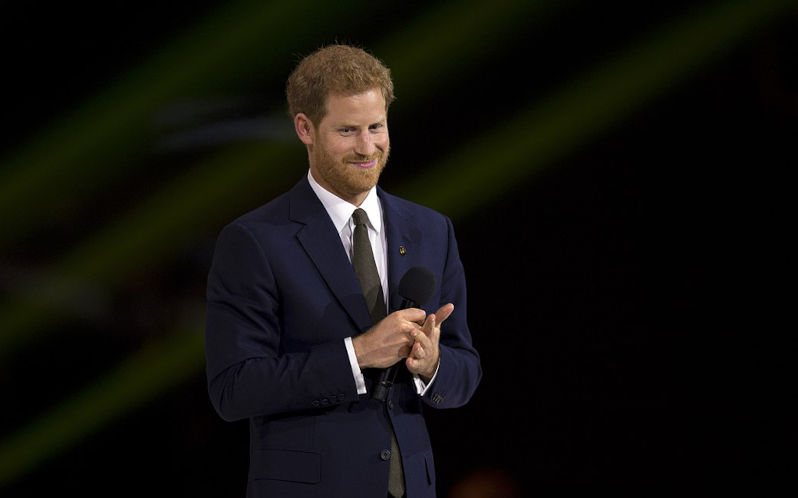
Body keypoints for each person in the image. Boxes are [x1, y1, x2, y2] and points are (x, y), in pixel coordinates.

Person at [204, 44, 481, 498]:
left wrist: (432, 365)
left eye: (377, 126)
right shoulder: (254, 240)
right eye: (348, 130)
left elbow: (465, 369)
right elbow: (234, 389)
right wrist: (358, 355)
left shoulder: (432, 230)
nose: (367, 147)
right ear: (305, 128)